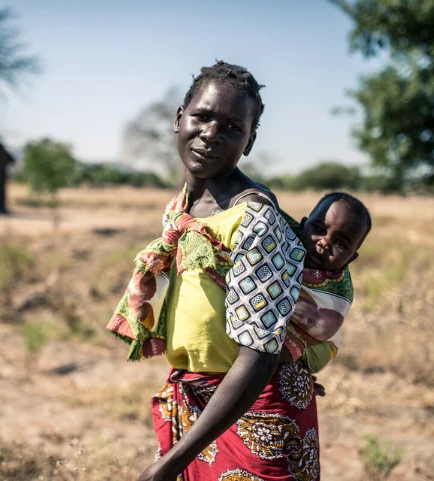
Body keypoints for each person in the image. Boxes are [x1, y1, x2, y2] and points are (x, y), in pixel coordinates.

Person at [107, 61, 357, 481]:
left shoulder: (256, 220)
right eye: (202, 116)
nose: (210, 134)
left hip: (256, 410)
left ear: (250, 140)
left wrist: (171, 462)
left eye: (231, 127)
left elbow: (258, 357)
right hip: (200, 401)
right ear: (178, 118)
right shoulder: (182, 208)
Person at [279, 192, 372, 374]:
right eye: (320, 229)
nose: (324, 243)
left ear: (350, 259)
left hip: (311, 347)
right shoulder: (279, 234)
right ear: (303, 225)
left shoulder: (337, 292)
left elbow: (320, 329)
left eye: (341, 244)